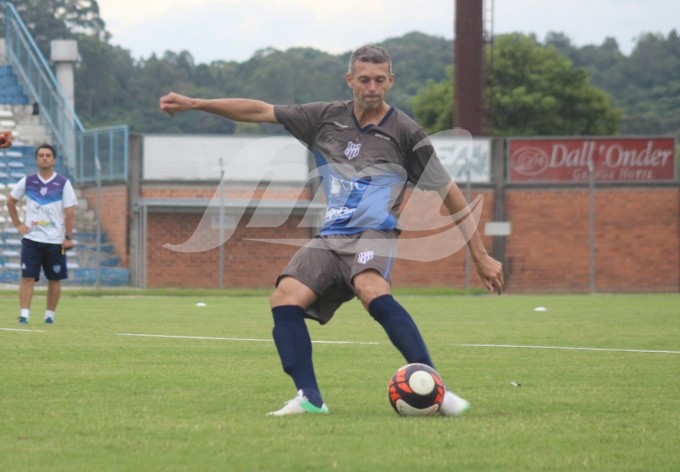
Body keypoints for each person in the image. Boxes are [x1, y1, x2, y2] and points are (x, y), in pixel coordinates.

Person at [159, 45, 503, 416]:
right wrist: (195, 103)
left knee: (371, 287)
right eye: (364, 79)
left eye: (380, 80)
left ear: (390, 81)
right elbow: (260, 110)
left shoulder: (406, 132)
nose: (372, 87)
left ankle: (436, 387)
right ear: (350, 80)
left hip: (374, 232)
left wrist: (480, 255)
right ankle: (309, 399)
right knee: (284, 297)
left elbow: (448, 191)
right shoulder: (324, 117)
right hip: (330, 238)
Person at [6, 144, 78, 324]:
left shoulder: (63, 183)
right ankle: (24, 315)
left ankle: (49, 316)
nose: (45, 158)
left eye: (48, 155)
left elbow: (69, 211)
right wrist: (18, 224)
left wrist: (68, 237)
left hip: (55, 241)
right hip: (31, 239)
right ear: (37, 160)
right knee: (27, 277)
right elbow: (10, 201)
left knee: (54, 279)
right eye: (41, 155)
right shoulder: (28, 181)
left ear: (54, 160)